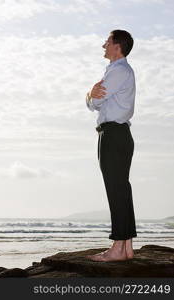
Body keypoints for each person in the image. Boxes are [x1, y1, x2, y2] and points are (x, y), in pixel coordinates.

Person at [85, 29, 137, 262]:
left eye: (107, 41)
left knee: (116, 189)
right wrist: (91, 96)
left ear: (117, 46)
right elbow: (95, 101)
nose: (103, 45)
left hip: (114, 134)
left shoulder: (118, 72)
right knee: (121, 189)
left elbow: (96, 101)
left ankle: (117, 248)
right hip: (118, 134)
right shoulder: (119, 71)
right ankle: (125, 247)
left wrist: (89, 94)